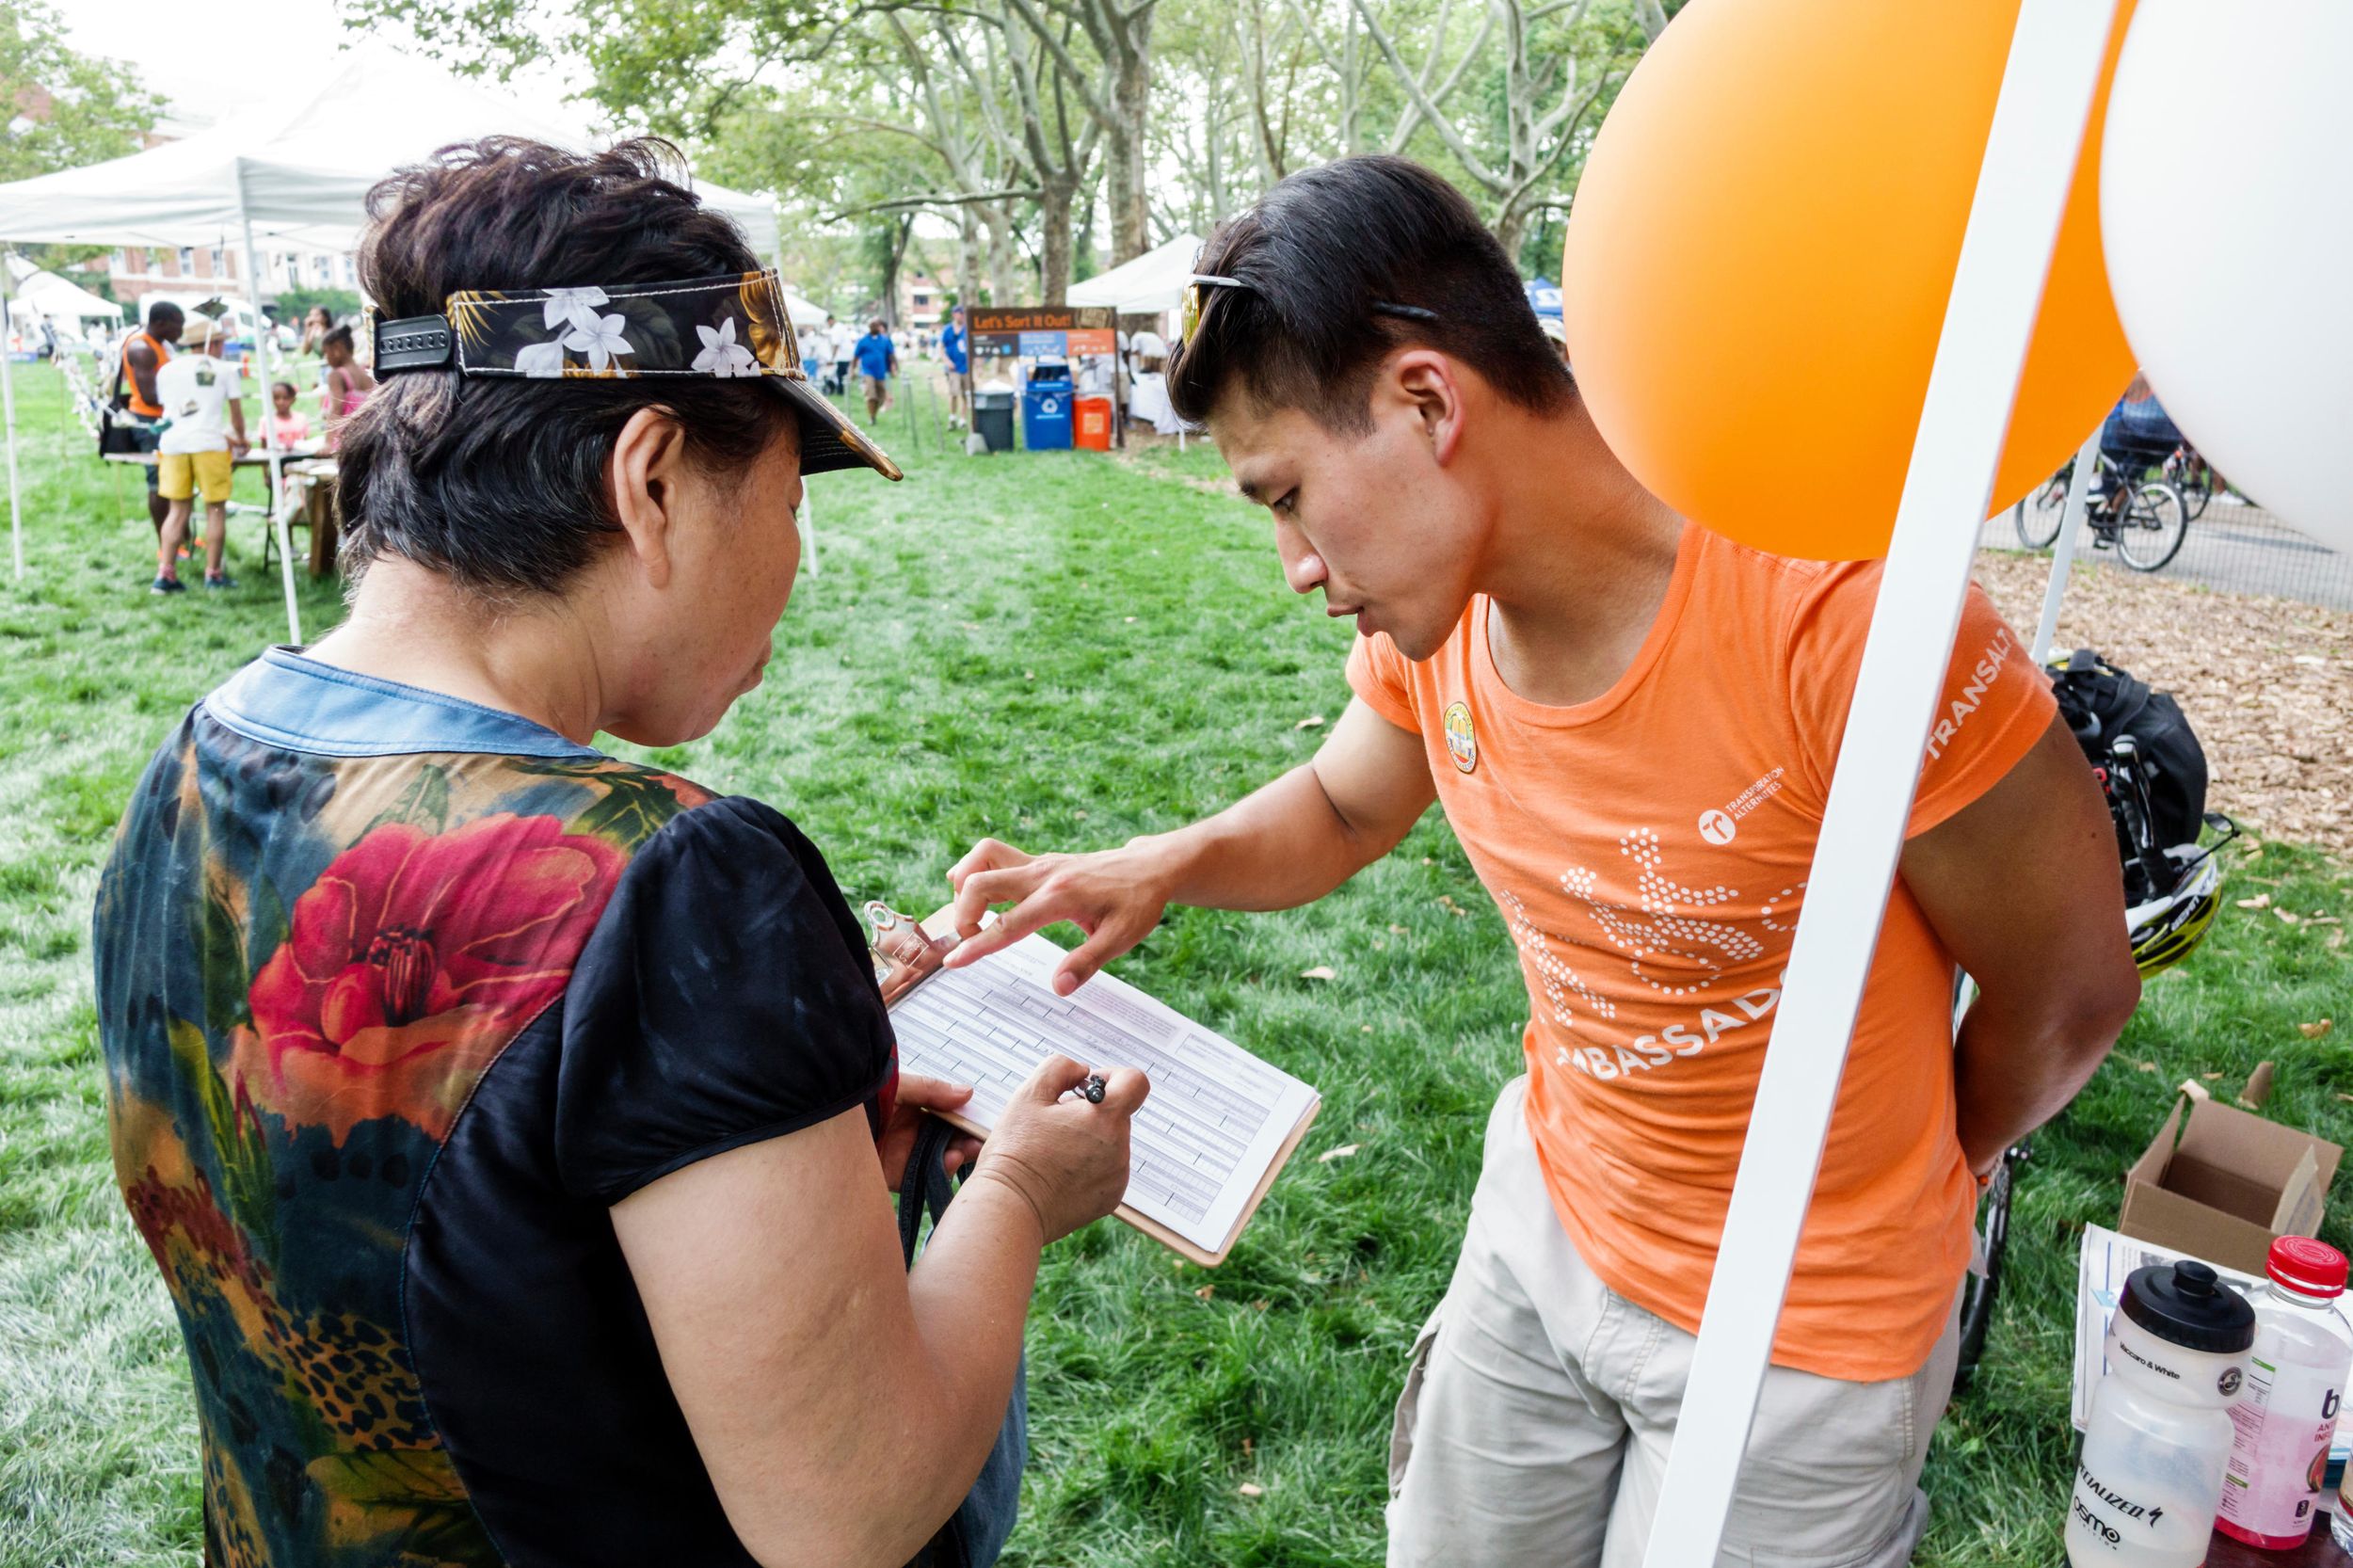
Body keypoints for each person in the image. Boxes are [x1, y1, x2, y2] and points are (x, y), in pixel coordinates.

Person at [941, 154, 2142, 1568]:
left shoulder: (1841, 621)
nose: (1296, 566)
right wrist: (1151, 863)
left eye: (1285, 495)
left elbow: (2068, 993)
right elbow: (1340, 805)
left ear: (1429, 401)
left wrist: (1898, 1178)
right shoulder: (1440, 615)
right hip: (1545, 1224)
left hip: (1801, 1336)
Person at [95, 136, 1145, 1568]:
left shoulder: (197, 757)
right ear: (650, 479)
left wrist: (767, 1125)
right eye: (791, 498)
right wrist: (1021, 1188)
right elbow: (850, 1508)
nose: (792, 558)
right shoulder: (675, 884)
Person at [150, 316, 248, 594]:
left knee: (177, 509)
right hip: (208, 444)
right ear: (214, 344)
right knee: (215, 509)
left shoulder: (167, 370)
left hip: (173, 444)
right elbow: (236, 415)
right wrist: (240, 438)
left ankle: (165, 574)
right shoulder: (224, 370)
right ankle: (213, 574)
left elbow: (177, 413)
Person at [121, 300, 183, 537]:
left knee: (175, 481)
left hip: (164, 419)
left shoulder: (159, 345)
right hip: (149, 423)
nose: (180, 331)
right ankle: (166, 543)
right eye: (178, 325)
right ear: (160, 323)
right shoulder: (142, 348)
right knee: (158, 483)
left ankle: (180, 536)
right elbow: (149, 396)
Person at [319, 322, 376, 447]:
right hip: (368, 437)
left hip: (346, 441)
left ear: (337, 348)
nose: (326, 358)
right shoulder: (367, 374)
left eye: (326, 352)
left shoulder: (336, 375)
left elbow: (336, 408)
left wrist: (328, 443)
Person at [856, 315, 897, 424]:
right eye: (872, 325)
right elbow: (855, 357)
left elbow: (891, 355)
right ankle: (872, 417)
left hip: (880, 372)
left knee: (881, 398)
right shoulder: (863, 341)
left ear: (879, 327)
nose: (874, 327)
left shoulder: (885, 340)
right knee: (871, 396)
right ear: (869, 327)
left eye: (876, 325)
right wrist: (852, 370)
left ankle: (874, 415)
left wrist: (895, 367)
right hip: (867, 371)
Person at [940, 305, 971, 427]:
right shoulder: (948, 330)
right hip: (953, 367)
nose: (962, 316)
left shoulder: (967, 329)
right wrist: (947, 361)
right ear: (954, 314)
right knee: (953, 393)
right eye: (960, 313)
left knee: (966, 394)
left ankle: (963, 419)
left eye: (964, 314)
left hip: (966, 367)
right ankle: (952, 417)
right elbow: (941, 348)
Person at [266, 379, 312, 448]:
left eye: (285, 398)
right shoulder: (267, 421)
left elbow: (305, 444)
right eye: (276, 398)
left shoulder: (301, 418)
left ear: (293, 399)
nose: (281, 402)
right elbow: (265, 448)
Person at [828, 312, 856, 398]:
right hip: (846, 355)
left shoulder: (836, 328)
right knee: (843, 375)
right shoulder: (840, 326)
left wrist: (832, 358)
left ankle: (841, 391)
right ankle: (843, 391)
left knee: (841, 375)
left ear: (830, 320)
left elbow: (836, 344)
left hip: (843, 356)